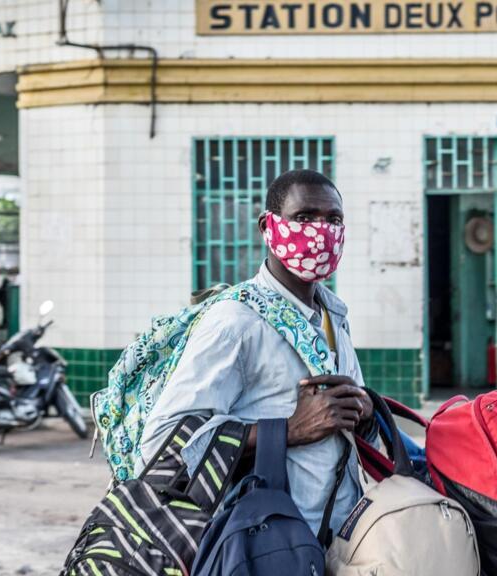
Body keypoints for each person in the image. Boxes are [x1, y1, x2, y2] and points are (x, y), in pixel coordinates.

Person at [137, 169, 375, 535]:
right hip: (266, 544)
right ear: (268, 226)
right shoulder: (236, 321)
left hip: (336, 536)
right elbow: (162, 444)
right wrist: (289, 430)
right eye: (304, 217)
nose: (320, 231)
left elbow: (344, 429)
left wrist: (365, 410)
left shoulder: (333, 316)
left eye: (333, 220)